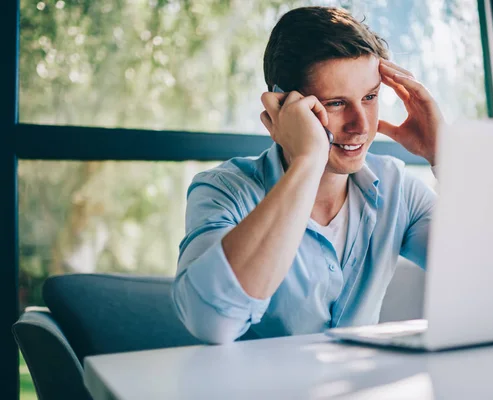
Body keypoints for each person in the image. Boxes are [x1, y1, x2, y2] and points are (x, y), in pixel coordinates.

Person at [172, 6, 443, 344]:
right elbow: (213, 323)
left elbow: (490, 275)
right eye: (336, 104)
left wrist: (444, 155)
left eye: (370, 97)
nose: (361, 125)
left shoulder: (397, 190)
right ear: (283, 107)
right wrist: (307, 161)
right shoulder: (224, 190)